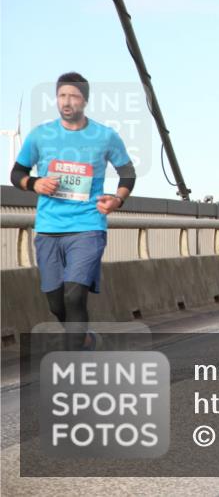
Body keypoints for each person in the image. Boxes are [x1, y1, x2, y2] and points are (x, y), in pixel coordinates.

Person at [10, 73, 135, 350]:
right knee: (56, 302)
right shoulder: (41, 135)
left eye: (74, 96)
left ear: (85, 100)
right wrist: (34, 183)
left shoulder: (105, 136)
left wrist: (117, 199)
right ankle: (85, 337)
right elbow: (16, 173)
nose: (67, 102)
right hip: (48, 228)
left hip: (89, 225)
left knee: (74, 297)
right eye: (62, 96)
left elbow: (127, 174)